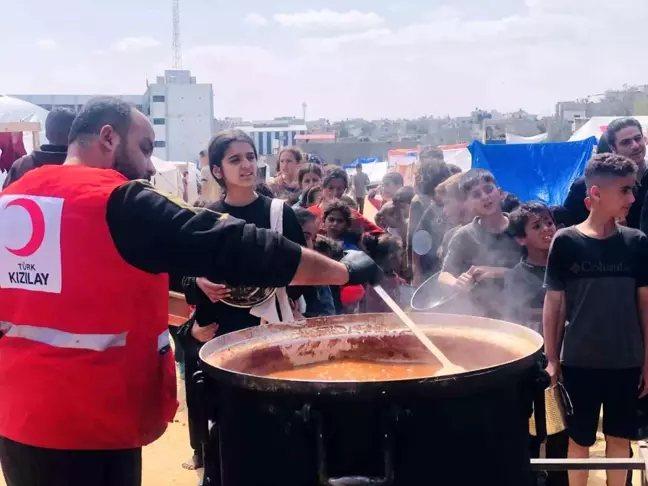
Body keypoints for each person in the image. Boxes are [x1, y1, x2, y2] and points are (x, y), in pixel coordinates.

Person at [0, 98, 382, 486]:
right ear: (108, 138)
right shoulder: (118, 200)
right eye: (145, 148)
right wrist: (341, 270)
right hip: (89, 424)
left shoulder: (12, 198)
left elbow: (75, 291)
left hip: (17, 420)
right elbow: (233, 244)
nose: (150, 166)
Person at [543, 153, 648, 486]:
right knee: (579, 441)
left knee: (620, 440)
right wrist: (551, 358)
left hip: (627, 361)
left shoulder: (636, 243)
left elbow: (645, 303)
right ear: (597, 194)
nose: (632, 198)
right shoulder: (566, 242)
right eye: (625, 190)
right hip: (578, 361)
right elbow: (554, 303)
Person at [503, 202, 567, 486]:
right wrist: (552, 312)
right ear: (520, 239)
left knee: (562, 432)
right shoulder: (516, 276)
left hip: (568, 358)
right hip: (535, 365)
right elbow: (514, 316)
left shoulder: (567, 266)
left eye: (549, 222)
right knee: (532, 429)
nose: (547, 230)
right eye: (536, 226)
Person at [439, 169, 522, 318]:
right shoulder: (464, 236)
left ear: (501, 192)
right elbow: (444, 275)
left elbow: (539, 273)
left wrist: (496, 272)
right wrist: (457, 283)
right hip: (481, 315)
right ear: (467, 204)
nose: (484, 197)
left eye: (488, 190)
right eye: (476, 195)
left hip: (522, 312)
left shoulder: (521, 226)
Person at [2, 108, 76, 189]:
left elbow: (5, 198)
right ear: (75, 135)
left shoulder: (22, 166)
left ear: (47, 134)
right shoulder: (85, 167)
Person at [408, 160, 452, 286]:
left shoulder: (469, 198)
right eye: (430, 195)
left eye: (436, 193)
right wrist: (416, 272)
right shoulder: (431, 210)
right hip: (440, 272)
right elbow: (418, 242)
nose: (435, 198)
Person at [309, 167, 383, 236]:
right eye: (330, 188)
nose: (335, 193)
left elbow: (379, 233)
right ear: (322, 187)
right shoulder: (309, 214)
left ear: (345, 189)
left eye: (340, 189)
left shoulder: (351, 215)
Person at [294, 208, 336, 317]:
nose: (311, 246)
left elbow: (328, 318)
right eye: (306, 236)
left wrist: (303, 321)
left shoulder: (317, 276)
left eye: (313, 239)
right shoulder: (269, 273)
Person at [363, 233, 407, 312]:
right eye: (401, 255)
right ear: (392, 257)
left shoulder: (397, 280)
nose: (402, 259)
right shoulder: (378, 284)